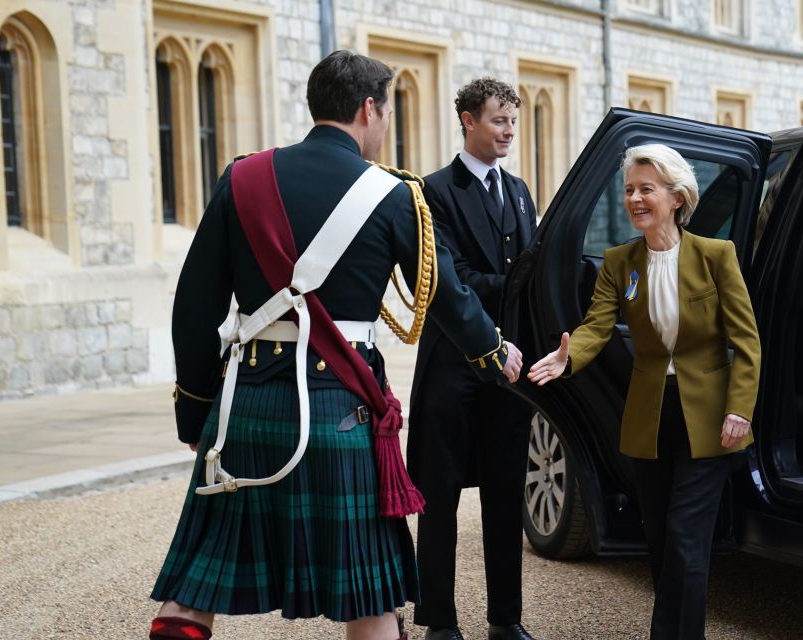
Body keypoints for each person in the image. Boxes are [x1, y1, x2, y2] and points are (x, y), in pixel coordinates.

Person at [148, 51, 522, 640]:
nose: (386, 128)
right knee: (370, 600)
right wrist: (494, 350)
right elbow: (447, 296)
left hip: (244, 405)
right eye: (387, 113)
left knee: (191, 593)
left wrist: (195, 409)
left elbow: (194, 306)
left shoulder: (242, 176)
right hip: (342, 404)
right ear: (368, 108)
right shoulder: (395, 196)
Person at [528, 144, 760, 640]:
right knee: (659, 541)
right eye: (629, 189)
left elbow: (747, 340)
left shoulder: (716, 256)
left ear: (676, 198)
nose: (634, 198)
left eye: (645, 189)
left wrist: (740, 408)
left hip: (711, 418)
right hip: (652, 417)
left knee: (685, 541)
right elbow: (596, 325)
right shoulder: (620, 262)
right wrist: (570, 356)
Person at [406, 78, 538, 640]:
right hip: (452, 367)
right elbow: (446, 279)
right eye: (498, 121)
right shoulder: (432, 191)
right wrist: (516, 284)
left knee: (508, 495)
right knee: (439, 500)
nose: (509, 131)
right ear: (466, 120)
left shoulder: (523, 191)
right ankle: (439, 624)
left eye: (513, 121)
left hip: (509, 373)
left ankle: (506, 622)